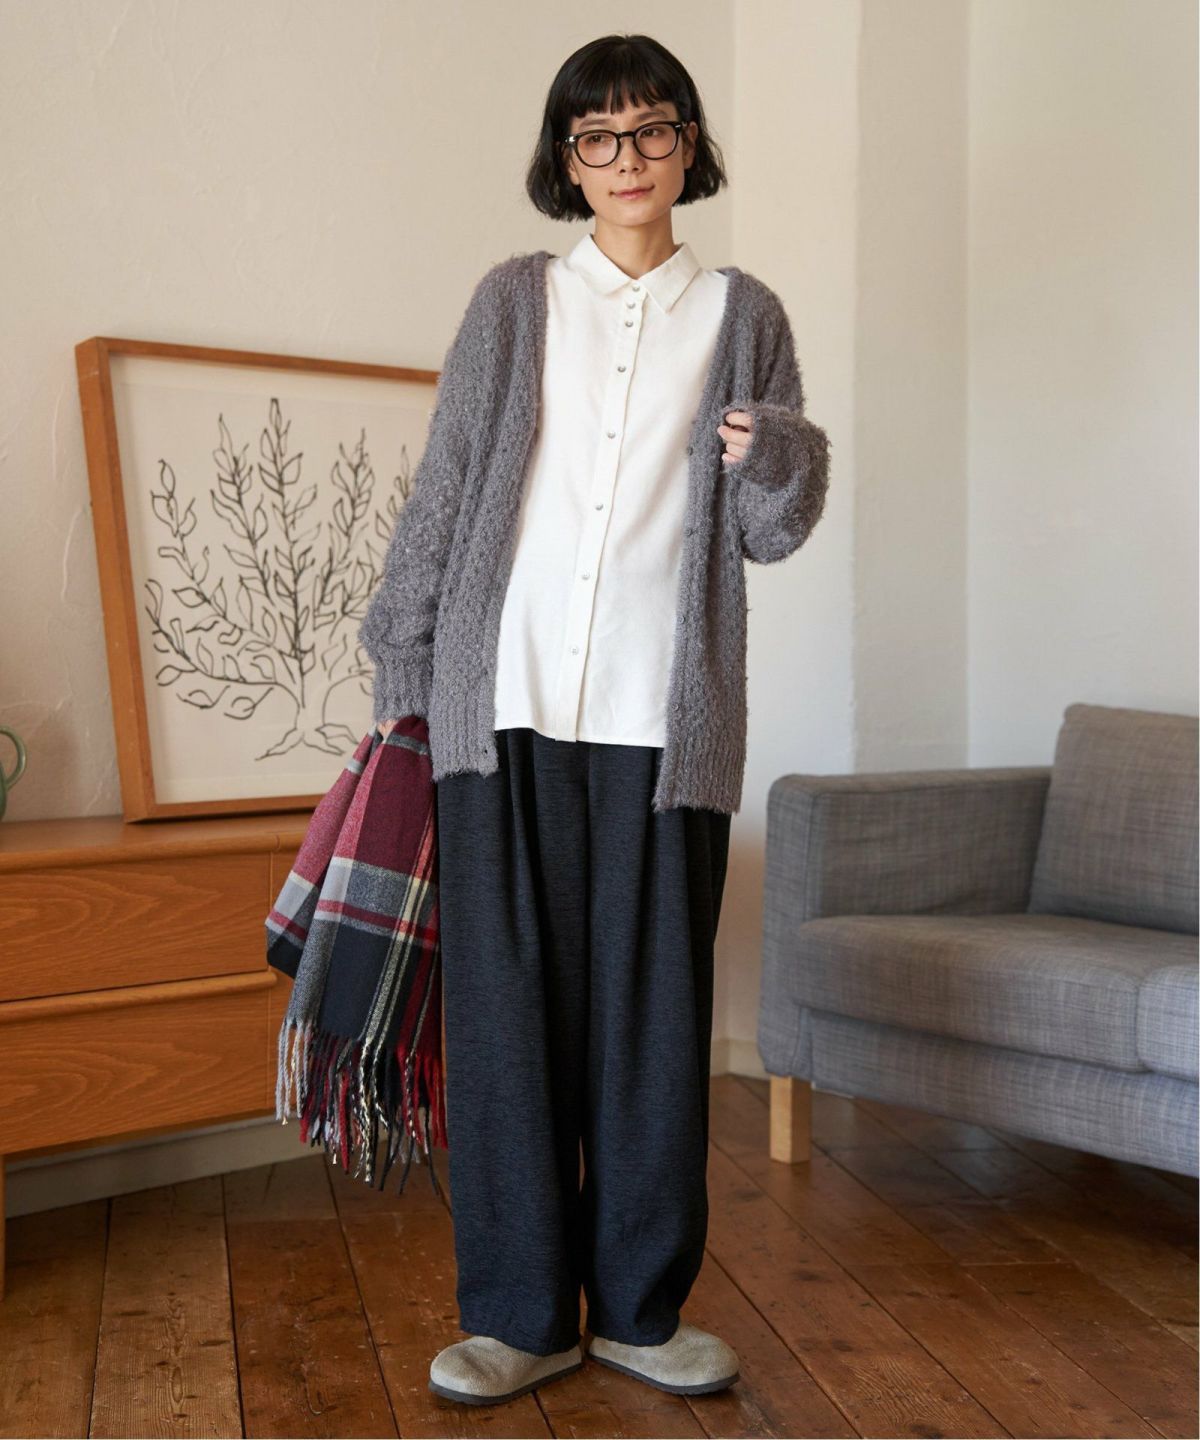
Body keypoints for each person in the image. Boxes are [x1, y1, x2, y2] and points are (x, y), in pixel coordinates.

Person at [360, 31, 831, 1409]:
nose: (627, 159)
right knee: (507, 1027)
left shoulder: (744, 313)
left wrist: (784, 455)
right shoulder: (514, 302)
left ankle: (637, 1310)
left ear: (689, 144)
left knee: (655, 1026)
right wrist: (404, 671)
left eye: (652, 129)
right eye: (598, 136)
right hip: (499, 708)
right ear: (567, 160)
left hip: (662, 725)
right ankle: (519, 1316)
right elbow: (449, 485)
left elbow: (772, 531)